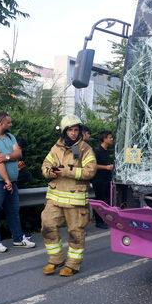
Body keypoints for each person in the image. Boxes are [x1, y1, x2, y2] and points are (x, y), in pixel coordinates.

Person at [41, 115, 96, 276]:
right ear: (65, 131)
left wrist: (67, 171)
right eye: (70, 130)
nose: (73, 133)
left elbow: (90, 171)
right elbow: (45, 165)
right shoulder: (56, 147)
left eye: (76, 130)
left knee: (75, 232)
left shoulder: (85, 148)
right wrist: (49, 172)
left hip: (75, 199)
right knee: (47, 225)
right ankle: (55, 260)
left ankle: (72, 264)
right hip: (55, 197)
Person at [0, 112, 35, 252]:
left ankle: (18, 239)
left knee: (13, 211)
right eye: (9, 122)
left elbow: (18, 153)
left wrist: (6, 156)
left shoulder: (10, 136)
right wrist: (7, 180)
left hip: (10, 182)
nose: (11, 125)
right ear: (1, 123)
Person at [91, 130, 114, 228]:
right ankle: (99, 222)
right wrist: (106, 167)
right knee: (100, 201)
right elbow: (92, 165)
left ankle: (105, 220)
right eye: (110, 137)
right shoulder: (97, 150)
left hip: (106, 179)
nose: (112, 139)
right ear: (104, 139)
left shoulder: (106, 151)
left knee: (107, 201)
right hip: (99, 180)